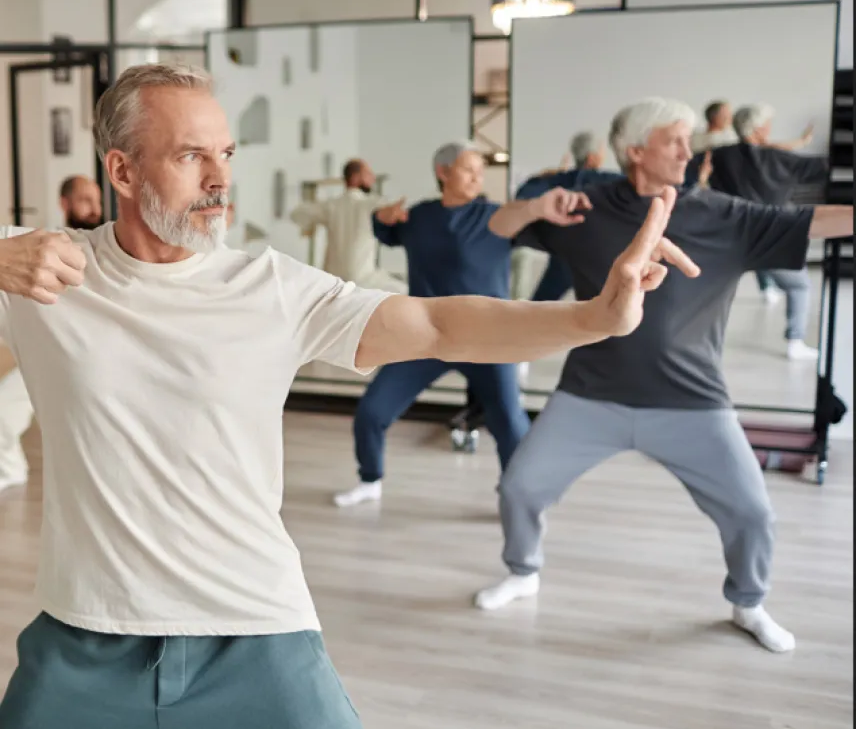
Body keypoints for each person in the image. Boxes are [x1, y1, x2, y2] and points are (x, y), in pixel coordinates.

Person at [0, 65, 699, 728]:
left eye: (227, 153)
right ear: (121, 169)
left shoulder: (269, 288)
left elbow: (436, 322)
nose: (221, 180)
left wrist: (593, 317)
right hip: (83, 631)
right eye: (191, 157)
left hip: (252, 624)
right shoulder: (43, 271)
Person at [474, 97, 853, 655]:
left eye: (688, 138)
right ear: (635, 151)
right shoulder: (585, 208)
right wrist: (534, 208)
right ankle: (523, 569)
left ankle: (748, 602)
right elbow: (497, 223)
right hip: (590, 395)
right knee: (519, 487)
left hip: (692, 402)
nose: (689, 149)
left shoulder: (726, 215)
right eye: (674, 139)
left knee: (751, 512)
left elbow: (817, 221)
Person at [333, 142, 591, 508]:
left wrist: (539, 205)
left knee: (509, 423)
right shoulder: (419, 217)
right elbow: (384, 229)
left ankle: (519, 497)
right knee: (372, 412)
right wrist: (382, 216)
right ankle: (370, 480)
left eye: (479, 171)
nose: (477, 177)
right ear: (443, 172)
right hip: (425, 338)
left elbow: (524, 215)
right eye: (469, 169)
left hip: (488, 340)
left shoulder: (494, 216)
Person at [0, 175, 104, 494]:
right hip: (47, 351)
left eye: (97, 201)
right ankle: (9, 473)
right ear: (64, 204)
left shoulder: (111, 249)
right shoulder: (36, 249)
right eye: (86, 200)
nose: (94, 209)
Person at [709, 103, 830, 359]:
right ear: (760, 128)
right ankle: (795, 342)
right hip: (770, 236)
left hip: (729, 234)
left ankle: (766, 289)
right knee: (799, 287)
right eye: (767, 125)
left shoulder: (720, 155)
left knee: (715, 287)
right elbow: (823, 168)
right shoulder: (779, 159)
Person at [515, 132, 622, 304]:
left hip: (562, 256)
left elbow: (523, 197)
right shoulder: (609, 181)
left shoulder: (555, 180)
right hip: (597, 259)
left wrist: (540, 178)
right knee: (607, 308)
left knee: (541, 304)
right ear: (593, 157)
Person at [290, 158, 407, 293]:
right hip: (363, 281)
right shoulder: (371, 203)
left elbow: (297, 214)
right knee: (405, 291)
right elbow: (386, 212)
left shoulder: (331, 205)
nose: (373, 178)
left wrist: (308, 225)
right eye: (368, 174)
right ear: (355, 177)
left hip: (332, 282)